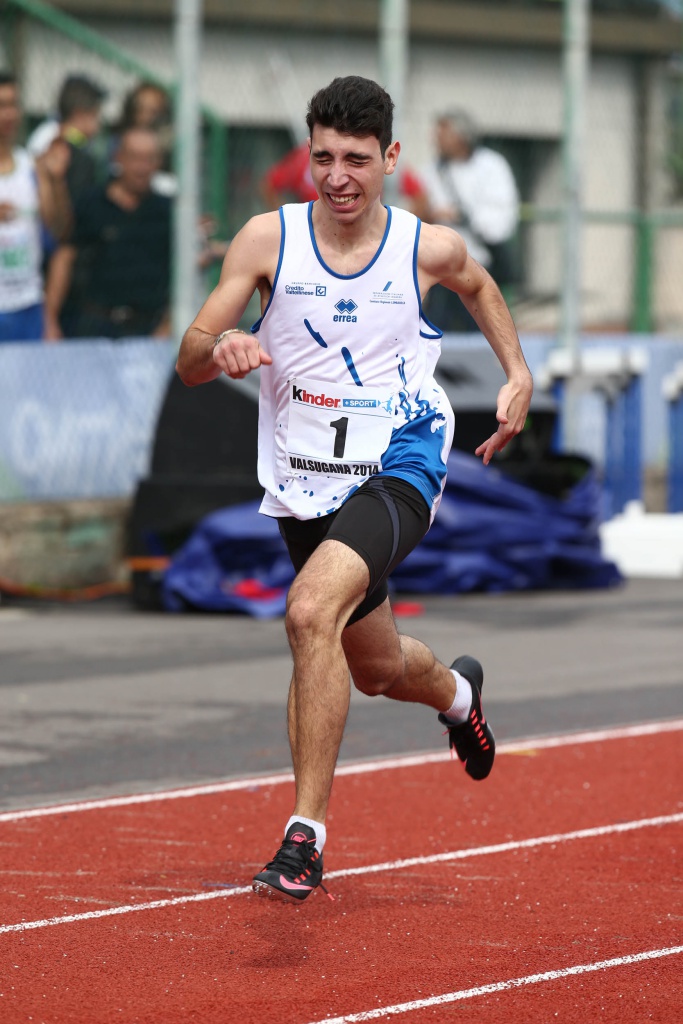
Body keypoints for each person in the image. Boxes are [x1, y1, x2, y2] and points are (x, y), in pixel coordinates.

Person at [176, 76, 533, 903]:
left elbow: (478, 285)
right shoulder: (267, 240)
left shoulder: (423, 247)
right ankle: (458, 695)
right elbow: (190, 358)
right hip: (305, 478)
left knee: (309, 611)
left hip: (400, 461)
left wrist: (516, 372)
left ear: (391, 158)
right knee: (372, 666)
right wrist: (219, 347)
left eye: (356, 161)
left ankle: (304, 837)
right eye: (324, 158)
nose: (337, 177)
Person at [44, 127, 172, 340]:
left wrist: (168, 326)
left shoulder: (167, 211)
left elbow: (181, 273)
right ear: (118, 157)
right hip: (93, 326)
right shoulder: (91, 204)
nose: (142, 167)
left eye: (149, 159)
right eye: (135, 158)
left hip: (149, 330)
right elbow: (64, 258)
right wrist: (49, 319)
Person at [421, 110, 520, 332]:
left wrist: (460, 216)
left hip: (478, 261)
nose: (436, 140)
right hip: (441, 265)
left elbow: (503, 215)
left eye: (442, 134)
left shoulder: (491, 166)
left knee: (482, 328)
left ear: (461, 136)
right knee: (436, 329)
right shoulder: (432, 171)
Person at [0, 71, 71, 342]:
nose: (9, 114)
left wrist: (57, 183)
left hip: (27, 307)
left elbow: (59, 234)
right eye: (1, 105)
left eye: (13, 104)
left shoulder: (32, 168)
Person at [261, 137, 430, 219]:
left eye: (355, 162)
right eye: (325, 160)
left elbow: (420, 196)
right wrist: (289, 223)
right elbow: (269, 185)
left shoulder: (374, 158)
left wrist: (397, 232)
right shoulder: (303, 158)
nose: (337, 181)